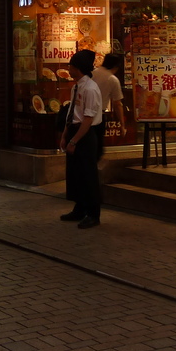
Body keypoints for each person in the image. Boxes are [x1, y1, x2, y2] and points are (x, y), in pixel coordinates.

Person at [59, 50, 103, 229]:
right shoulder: (76, 86)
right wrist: (64, 135)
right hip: (74, 132)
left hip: (85, 135)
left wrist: (74, 140)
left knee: (88, 176)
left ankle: (93, 214)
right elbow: (72, 113)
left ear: (77, 68)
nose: (68, 69)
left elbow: (88, 119)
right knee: (75, 175)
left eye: (70, 66)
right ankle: (79, 208)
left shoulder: (91, 89)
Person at [91, 53, 127, 153]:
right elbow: (117, 104)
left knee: (87, 145)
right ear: (116, 66)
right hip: (98, 115)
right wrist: (122, 125)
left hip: (83, 114)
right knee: (97, 147)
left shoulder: (92, 73)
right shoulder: (112, 79)